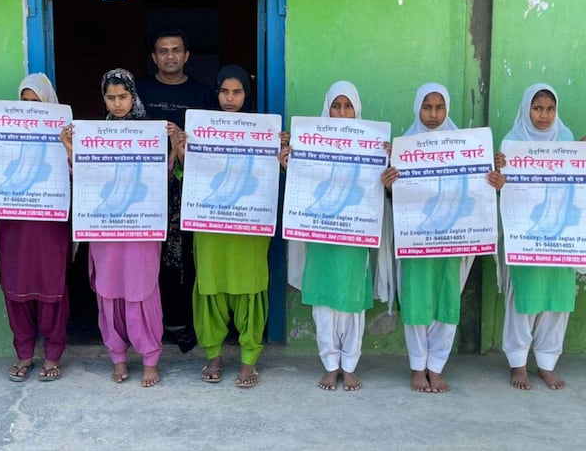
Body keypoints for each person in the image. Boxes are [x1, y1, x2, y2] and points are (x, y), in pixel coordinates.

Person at [381, 83, 503, 393]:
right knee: (416, 300)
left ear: (446, 108)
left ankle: (436, 366)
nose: (433, 114)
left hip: (453, 240)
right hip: (417, 240)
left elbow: (476, 192)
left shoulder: (467, 148)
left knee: (447, 302)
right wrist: (389, 184)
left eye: (439, 107)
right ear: (417, 109)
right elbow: (396, 198)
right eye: (427, 107)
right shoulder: (403, 147)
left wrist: (492, 181)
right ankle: (417, 367)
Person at [61, 68, 168, 387]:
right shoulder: (93, 135)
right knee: (108, 292)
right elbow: (84, 178)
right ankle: (118, 357)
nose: (118, 103)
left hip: (140, 228)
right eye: (111, 97)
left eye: (123, 96)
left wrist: (173, 147)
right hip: (105, 228)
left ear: (133, 96)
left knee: (141, 290)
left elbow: (162, 176)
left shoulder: (150, 133)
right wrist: (70, 149)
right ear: (103, 99)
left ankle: (150, 357)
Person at [174, 65, 273, 388]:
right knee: (210, 288)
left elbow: (270, 179)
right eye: (224, 91)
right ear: (216, 93)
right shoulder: (201, 131)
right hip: (211, 227)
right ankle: (213, 355)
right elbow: (189, 180)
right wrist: (182, 154)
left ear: (247, 94)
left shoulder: (263, 131)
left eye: (237, 92)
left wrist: (278, 151)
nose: (230, 99)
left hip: (248, 228)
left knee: (249, 289)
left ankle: (248, 360)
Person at [0, 73, 70, 382]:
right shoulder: (6, 137)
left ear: (49, 105)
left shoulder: (66, 135)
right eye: (23, 102)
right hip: (14, 226)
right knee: (15, 289)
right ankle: (24, 354)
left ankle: (53, 355)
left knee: (53, 288)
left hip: (50, 226)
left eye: (36, 103)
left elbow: (79, 176)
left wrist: (68, 149)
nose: (29, 109)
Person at [279, 81, 374, 392]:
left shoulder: (370, 146)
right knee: (323, 304)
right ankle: (330, 365)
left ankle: (350, 365)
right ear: (327, 108)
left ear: (356, 109)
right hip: (321, 237)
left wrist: (383, 161)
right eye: (336, 106)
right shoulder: (311, 144)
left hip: (355, 237)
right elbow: (305, 186)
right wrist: (288, 164)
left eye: (347, 106)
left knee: (351, 303)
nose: (342, 112)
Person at [137, 29, 213, 353]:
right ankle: (150, 324)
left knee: (185, 255)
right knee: (149, 253)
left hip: (189, 187)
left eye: (176, 50)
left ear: (186, 56)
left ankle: (181, 323)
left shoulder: (203, 94)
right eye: (163, 50)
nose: (170, 55)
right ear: (154, 57)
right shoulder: (138, 90)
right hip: (142, 188)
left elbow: (216, 140)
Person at [498, 84, 575, 390]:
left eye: (550, 109)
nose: (544, 116)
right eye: (537, 108)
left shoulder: (567, 140)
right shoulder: (513, 143)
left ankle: (546, 363)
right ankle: (518, 363)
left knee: (557, 301)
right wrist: (498, 175)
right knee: (523, 299)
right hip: (527, 236)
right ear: (526, 109)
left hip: (561, 236)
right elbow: (503, 188)